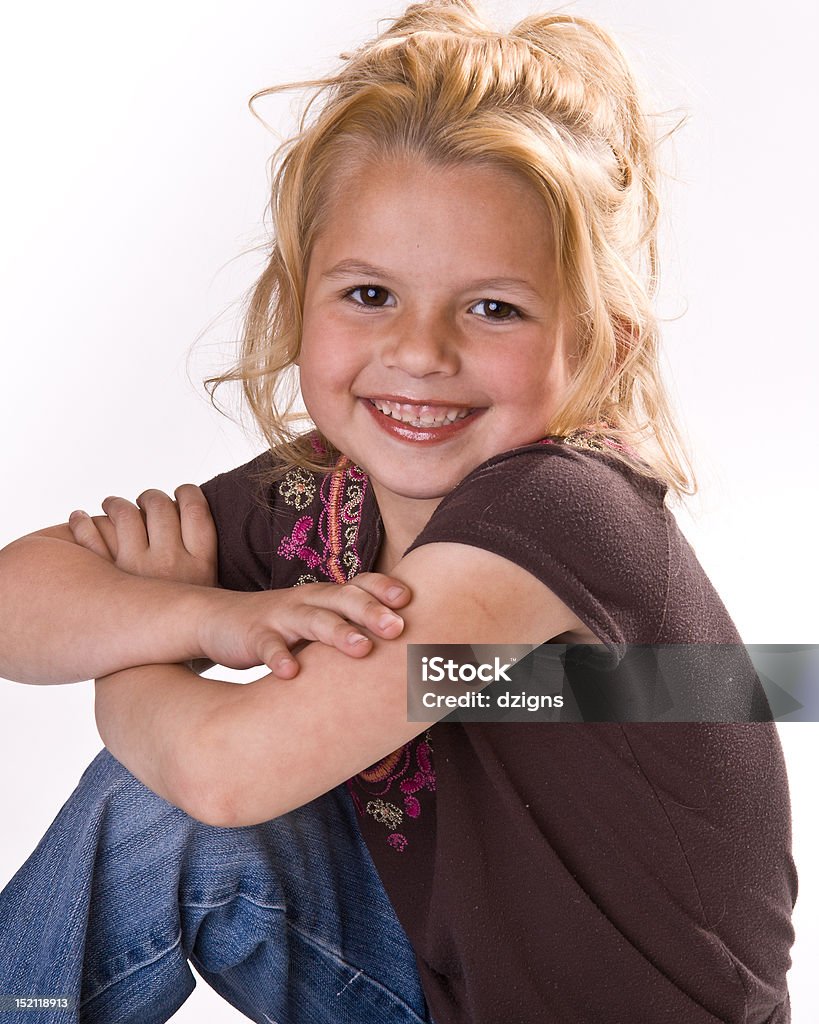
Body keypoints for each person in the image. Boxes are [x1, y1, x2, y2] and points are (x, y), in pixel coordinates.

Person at [0, 2, 797, 1023]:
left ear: (607, 345)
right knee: (166, 819)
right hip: (443, 993)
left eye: (493, 307)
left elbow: (224, 774)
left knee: (173, 796)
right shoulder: (324, 491)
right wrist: (205, 621)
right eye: (370, 294)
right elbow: (18, 604)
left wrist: (128, 666)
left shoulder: (561, 515)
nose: (420, 352)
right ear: (298, 302)